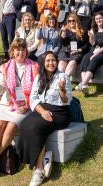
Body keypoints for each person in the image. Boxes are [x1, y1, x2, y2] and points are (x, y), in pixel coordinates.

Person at [0, 39, 38, 183]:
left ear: (26, 52)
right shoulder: (4, 67)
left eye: (23, 49)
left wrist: (27, 105)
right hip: (6, 103)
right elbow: (1, 90)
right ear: (12, 52)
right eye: (17, 49)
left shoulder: (34, 66)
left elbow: (36, 91)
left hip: (24, 106)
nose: (20, 52)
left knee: (10, 127)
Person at [17, 52, 72, 186]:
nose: (51, 63)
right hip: (42, 109)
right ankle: (43, 154)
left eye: (53, 60)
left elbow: (66, 101)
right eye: (48, 61)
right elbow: (33, 98)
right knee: (24, 124)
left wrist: (62, 90)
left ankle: (39, 169)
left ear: (57, 62)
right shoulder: (38, 78)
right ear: (43, 63)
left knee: (36, 128)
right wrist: (42, 111)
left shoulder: (63, 77)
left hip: (59, 112)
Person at [76, 12, 103, 94]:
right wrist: (91, 37)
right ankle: (85, 85)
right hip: (93, 51)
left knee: (94, 59)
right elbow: (92, 44)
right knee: (85, 58)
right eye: (97, 19)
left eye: (100, 18)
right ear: (94, 20)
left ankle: (83, 83)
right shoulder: (92, 30)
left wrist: (95, 55)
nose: (98, 20)